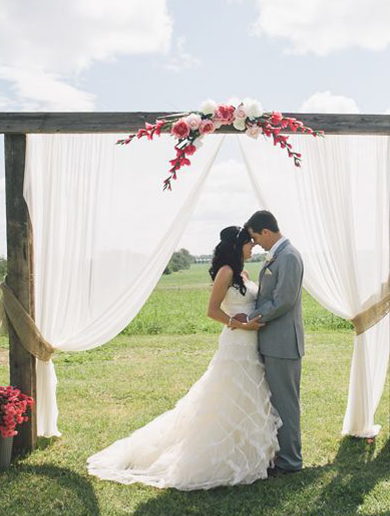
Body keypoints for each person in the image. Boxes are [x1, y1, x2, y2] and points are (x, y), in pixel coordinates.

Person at [86, 226, 282, 490]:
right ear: (238, 246)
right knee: (229, 395)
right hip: (236, 344)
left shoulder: (243, 274)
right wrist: (241, 325)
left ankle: (251, 451)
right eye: (249, 243)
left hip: (251, 345)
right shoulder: (225, 272)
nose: (253, 247)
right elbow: (212, 311)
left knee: (250, 396)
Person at [240, 210, 305, 475]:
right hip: (273, 342)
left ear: (266, 232)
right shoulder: (279, 256)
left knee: (286, 404)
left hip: (283, 344)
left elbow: (284, 300)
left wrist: (251, 317)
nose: (256, 245)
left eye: (256, 238)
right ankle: (280, 455)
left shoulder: (288, 257)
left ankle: (290, 461)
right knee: (276, 403)